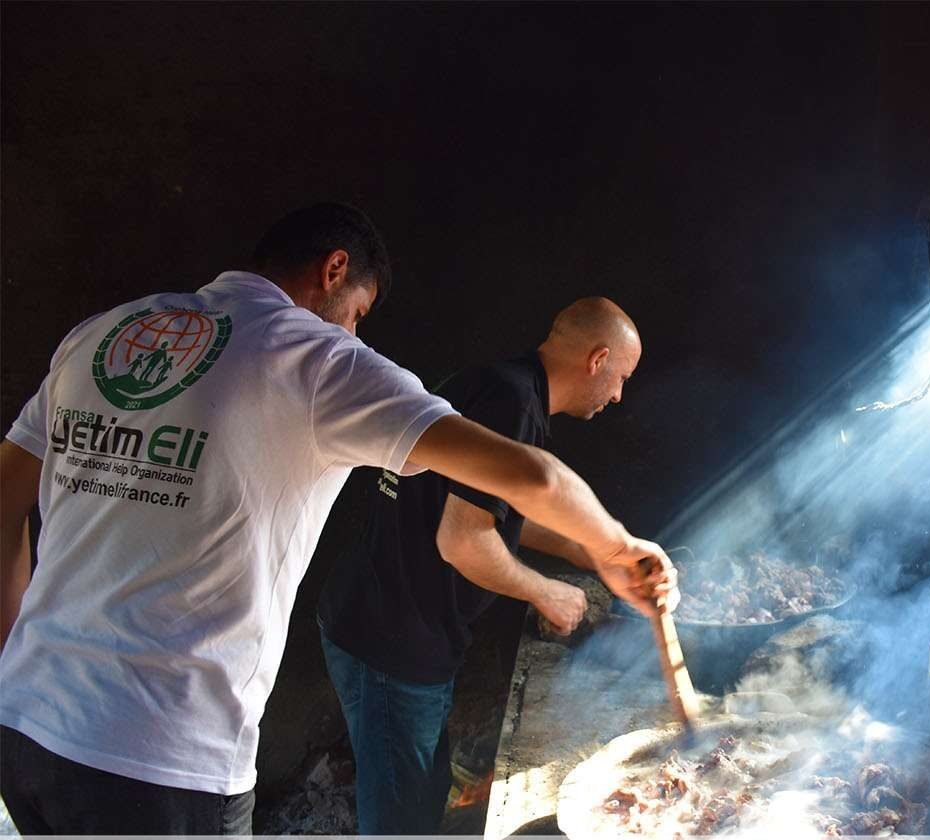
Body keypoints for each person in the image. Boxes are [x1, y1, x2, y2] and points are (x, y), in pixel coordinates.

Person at [0, 203, 674, 834]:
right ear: (334, 271)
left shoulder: (105, 333)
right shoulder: (318, 360)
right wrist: (616, 549)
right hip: (158, 758)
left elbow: (4, 502)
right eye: (358, 310)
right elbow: (534, 477)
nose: (355, 329)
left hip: (23, 729)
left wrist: (18, 665)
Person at [317, 296, 654, 833]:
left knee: (422, 795)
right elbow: (464, 541)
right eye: (622, 377)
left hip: (394, 626)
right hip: (389, 640)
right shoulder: (512, 402)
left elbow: (485, 511)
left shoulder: (504, 385)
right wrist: (546, 591)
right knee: (399, 820)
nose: (618, 394)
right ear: (598, 359)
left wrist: (583, 550)